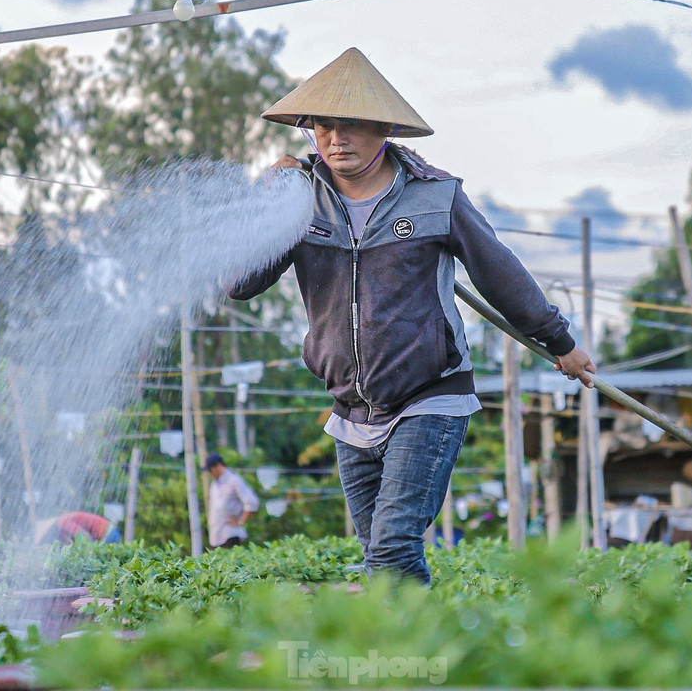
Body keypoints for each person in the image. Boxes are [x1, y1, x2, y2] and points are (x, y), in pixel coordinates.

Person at [228, 48, 596, 585]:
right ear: (310, 131)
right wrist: (267, 206)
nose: (337, 140)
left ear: (384, 130)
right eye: (325, 127)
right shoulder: (298, 200)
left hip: (430, 393)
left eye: (353, 126)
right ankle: (407, 658)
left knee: (394, 550)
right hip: (351, 409)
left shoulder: (435, 196)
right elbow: (241, 284)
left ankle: (422, 664)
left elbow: (500, 275)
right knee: (379, 556)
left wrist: (560, 343)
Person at [204, 452, 260, 549]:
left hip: (230, 534)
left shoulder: (233, 481)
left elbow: (252, 502)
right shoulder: (215, 484)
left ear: (218, 466)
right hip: (216, 535)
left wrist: (241, 521)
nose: (210, 473)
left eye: (210, 469)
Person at [34, 511, 122, 545]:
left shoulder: (63, 522)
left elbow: (85, 537)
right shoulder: (63, 529)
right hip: (110, 532)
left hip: (108, 534)